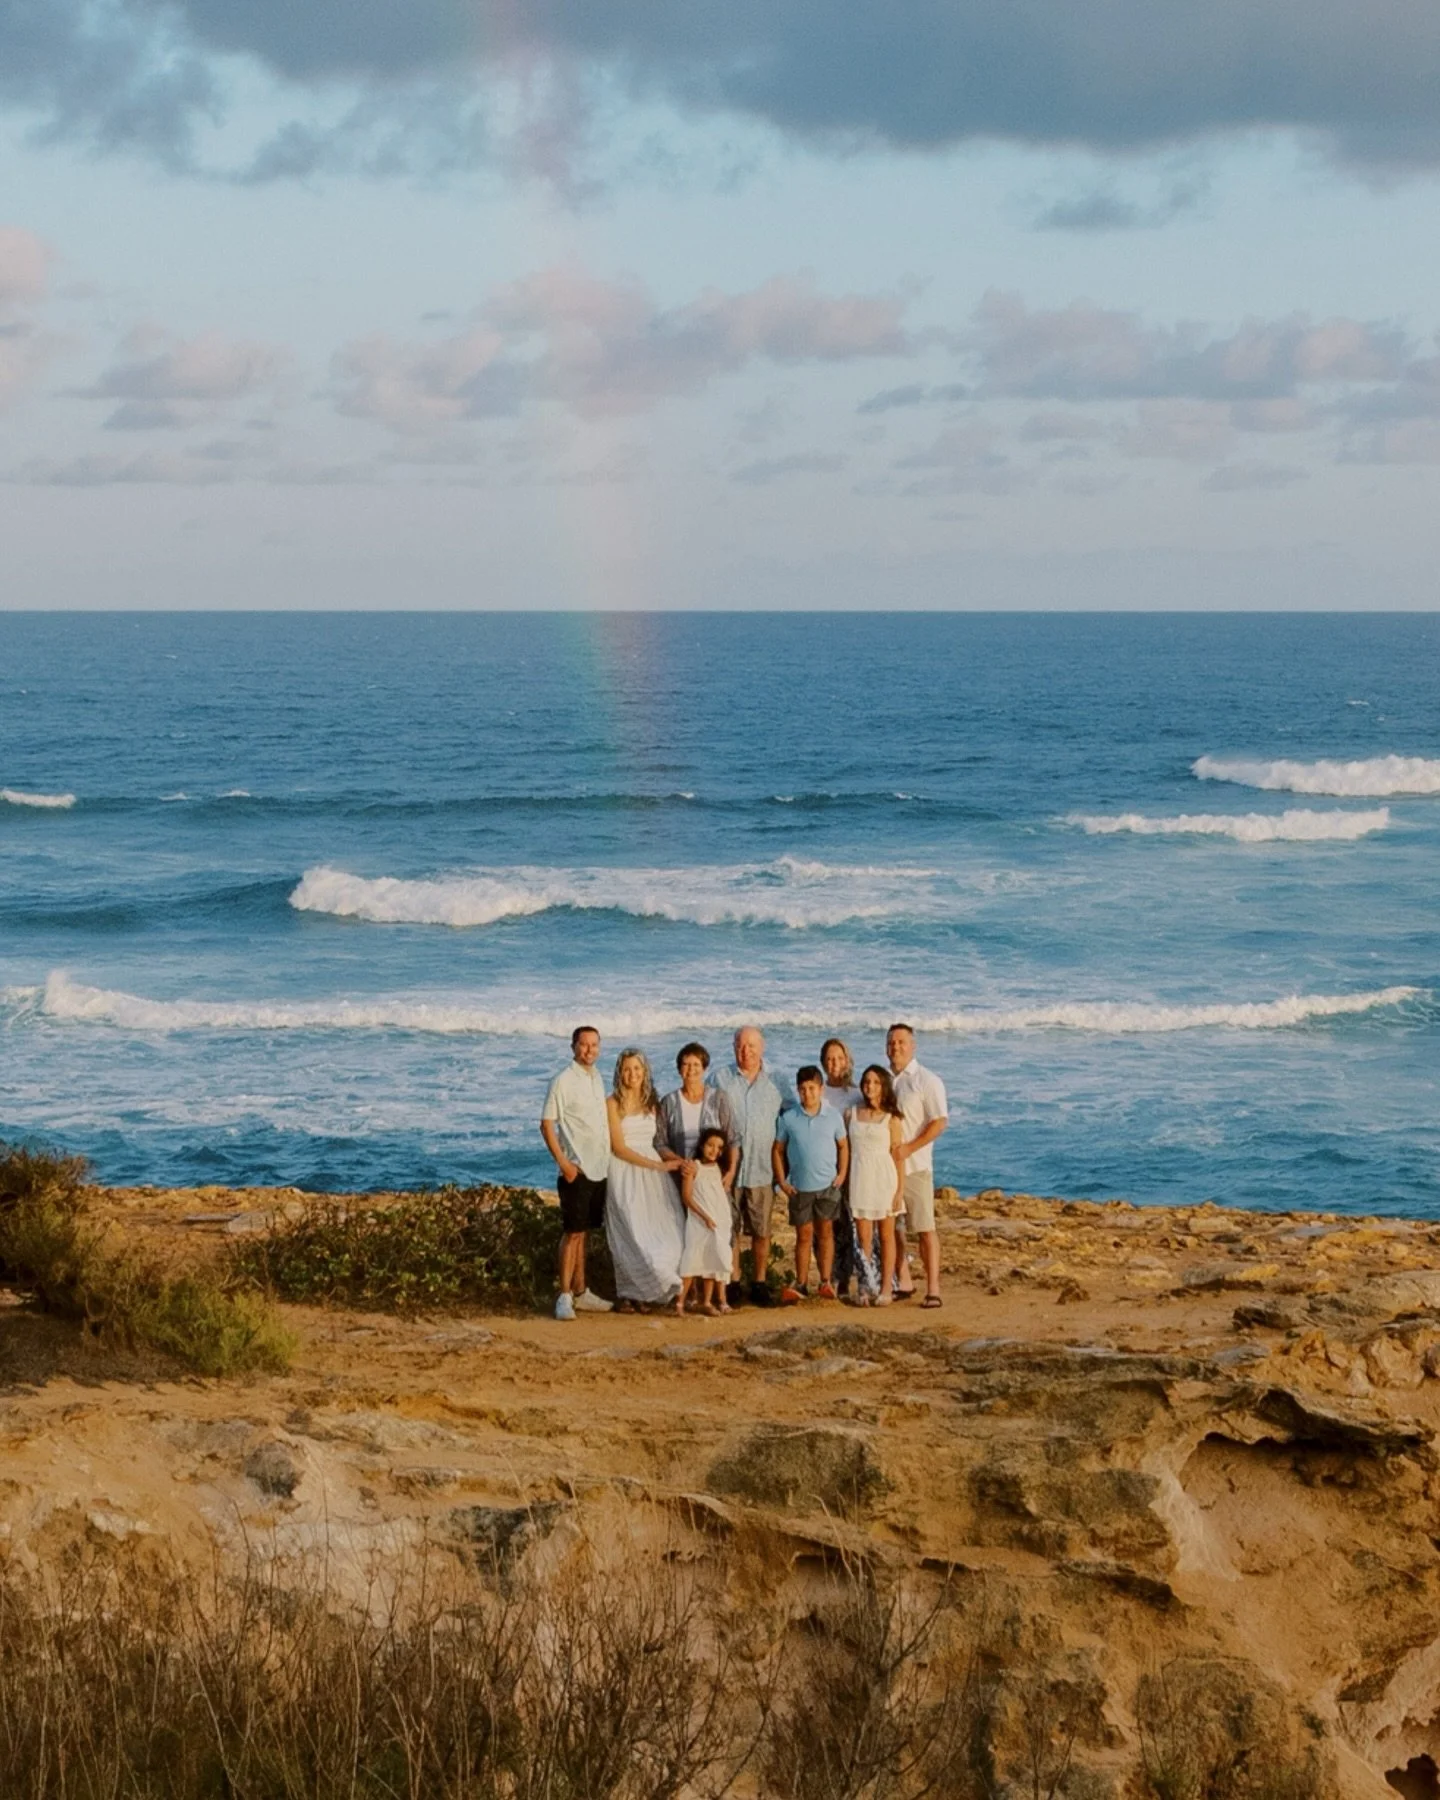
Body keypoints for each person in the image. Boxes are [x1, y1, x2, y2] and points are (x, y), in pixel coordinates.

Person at [540, 1025, 616, 1321]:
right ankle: (565, 1295)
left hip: (599, 1167)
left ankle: (582, 1291)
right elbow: (547, 1124)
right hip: (576, 1169)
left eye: (594, 1045)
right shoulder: (563, 1080)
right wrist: (564, 1164)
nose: (589, 1050)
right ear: (573, 1047)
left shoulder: (596, 1077)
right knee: (572, 1234)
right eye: (584, 1045)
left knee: (584, 1233)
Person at [605, 1048, 686, 1313]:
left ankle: (654, 1291)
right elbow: (618, 1147)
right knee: (632, 1232)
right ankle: (630, 1294)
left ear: (645, 1071)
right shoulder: (612, 1103)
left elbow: (660, 1140)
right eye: (627, 1069)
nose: (632, 1074)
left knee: (666, 1228)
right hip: (625, 1170)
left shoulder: (653, 1102)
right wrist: (656, 1165)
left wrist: (671, 1163)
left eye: (637, 1069)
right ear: (620, 1072)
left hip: (654, 1174)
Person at [715, 1025, 792, 1307]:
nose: (745, 1051)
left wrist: (787, 1163)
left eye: (751, 1046)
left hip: (762, 1169)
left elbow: (790, 1118)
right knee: (730, 1229)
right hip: (729, 1171)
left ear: (762, 1048)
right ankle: (734, 1281)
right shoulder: (721, 1078)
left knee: (761, 1230)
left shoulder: (778, 1080)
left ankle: (759, 1282)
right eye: (740, 1045)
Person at [772, 1065, 848, 1302]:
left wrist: (842, 1174)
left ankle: (826, 1281)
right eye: (803, 1089)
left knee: (825, 1233)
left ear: (821, 1089)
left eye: (812, 1088)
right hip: (800, 1188)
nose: (808, 1094)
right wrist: (782, 1181)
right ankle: (802, 1282)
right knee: (803, 1236)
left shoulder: (833, 1115)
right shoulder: (789, 1118)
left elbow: (843, 1146)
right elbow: (777, 1150)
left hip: (827, 1186)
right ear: (798, 1090)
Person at [886, 1023, 949, 1309]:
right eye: (891, 1043)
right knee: (893, 1229)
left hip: (917, 1167)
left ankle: (933, 1288)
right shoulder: (884, 1080)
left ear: (913, 1046)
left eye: (901, 1042)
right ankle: (904, 1279)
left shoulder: (927, 1080)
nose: (896, 1047)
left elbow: (939, 1121)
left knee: (924, 1228)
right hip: (887, 1169)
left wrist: (909, 1148)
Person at [846, 1064, 905, 1307]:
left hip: (884, 1179)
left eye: (875, 1082)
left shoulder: (892, 1118)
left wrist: (899, 1190)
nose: (870, 1086)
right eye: (866, 1082)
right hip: (860, 1177)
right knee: (863, 1237)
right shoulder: (851, 1113)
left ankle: (885, 1289)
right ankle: (865, 1286)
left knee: (887, 1235)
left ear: (883, 1087)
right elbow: (845, 1151)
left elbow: (897, 1156)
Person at [657, 1042, 739, 1179]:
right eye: (686, 1064)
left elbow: (733, 1139)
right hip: (680, 1174)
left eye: (696, 1064)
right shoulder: (668, 1102)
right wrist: (682, 1163)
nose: (691, 1069)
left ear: (704, 1068)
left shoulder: (719, 1098)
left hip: (713, 1173)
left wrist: (731, 1172)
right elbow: (660, 1143)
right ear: (679, 1069)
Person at [820, 1037, 862, 1298]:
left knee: (847, 1224)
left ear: (847, 1060)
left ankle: (845, 1278)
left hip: (849, 1166)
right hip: (821, 1166)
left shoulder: (856, 1094)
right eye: (829, 1059)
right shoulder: (817, 1091)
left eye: (838, 1058)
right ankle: (827, 1277)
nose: (834, 1063)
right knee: (824, 1225)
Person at [678, 1128, 733, 1317]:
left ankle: (708, 1301)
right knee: (692, 1259)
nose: (714, 1150)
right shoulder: (694, 1167)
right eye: (710, 1145)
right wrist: (704, 1217)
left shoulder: (719, 1169)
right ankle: (680, 1302)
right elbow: (687, 1197)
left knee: (713, 1260)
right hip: (699, 1221)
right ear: (702, 1145)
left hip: (718, 1221)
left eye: (719, 1147)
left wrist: (719, 1219)